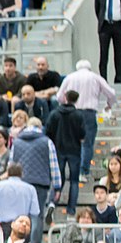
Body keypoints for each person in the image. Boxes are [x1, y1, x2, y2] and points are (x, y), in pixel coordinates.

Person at [58, 60, 116, 182]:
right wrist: (108, 105)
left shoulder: (70, 77)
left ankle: (72, 170)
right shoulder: (95, 77)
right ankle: (83, 172)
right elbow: (111, 93)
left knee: (72, 142)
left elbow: (59, 96)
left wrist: (65, 105)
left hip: (71, 112)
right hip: (89, 113)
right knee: (87, 143)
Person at [45, 89, 86, 217]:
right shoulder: (79, 115)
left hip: (58, 149)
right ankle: (71, 210)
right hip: (74, 150)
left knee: (58, 178)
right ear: (76, 100)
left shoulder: (55, 113)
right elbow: (82, 135)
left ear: (65, 98)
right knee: (74, 181)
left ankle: (53, 202)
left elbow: (48, 131)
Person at [0, 164, 40, 239]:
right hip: (22, 227)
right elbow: (35, 212)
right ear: (22, 174)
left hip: (2, 227)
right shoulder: (30, 189)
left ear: (7, 173)